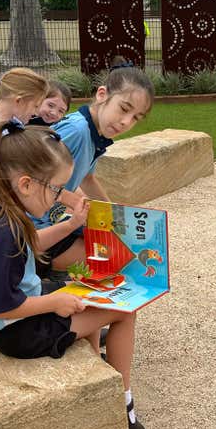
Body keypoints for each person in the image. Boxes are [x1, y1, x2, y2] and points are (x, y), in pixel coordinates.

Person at [0, 121, 145, 429]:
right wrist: (55, 302)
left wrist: (71, 226)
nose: (60, 197)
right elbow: (1, 307)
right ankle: (121, 402)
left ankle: (95, 367)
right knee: (125, 311)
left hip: (9, 319)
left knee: (89, 291)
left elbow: (29, 243)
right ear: (26, 184)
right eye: (56, 188)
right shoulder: (5, 234)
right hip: (17, 332)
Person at [33, 62, 155, 275]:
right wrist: (73, 205)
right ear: (102, 95)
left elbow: (87, 179)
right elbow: (32, 179)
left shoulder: (95, 133)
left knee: (122, 248)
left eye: (136, 117)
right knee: (117, 262)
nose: (126, 122)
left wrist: (115, 216)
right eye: (124, 108)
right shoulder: (77, 131)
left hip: (51, 218)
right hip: (33, 229)